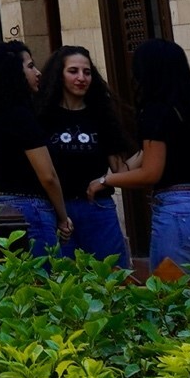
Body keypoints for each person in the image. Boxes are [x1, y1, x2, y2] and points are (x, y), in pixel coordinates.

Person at [99, 38, 190, 269]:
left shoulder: (155, 111)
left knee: (174, 297)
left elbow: (150, 174)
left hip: (180, 215)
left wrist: (105, 180)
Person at [0, 42, 74, 251]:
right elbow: (48, 176)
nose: (38, 72)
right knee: (43, 278)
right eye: (31, 66)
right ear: (13, 72)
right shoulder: (20, 116)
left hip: (3, 207)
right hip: (31, 210)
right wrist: (63, 217)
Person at [33, 46, 133, 262]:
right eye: (73, 71)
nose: (81, 78)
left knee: (114, 280)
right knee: (65, 285)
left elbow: (120, 169)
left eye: (86, 72)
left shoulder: (102, 114)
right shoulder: (42, 115)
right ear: (59, 74)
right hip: (56, 212)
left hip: (97, 209)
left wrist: (150, 147)